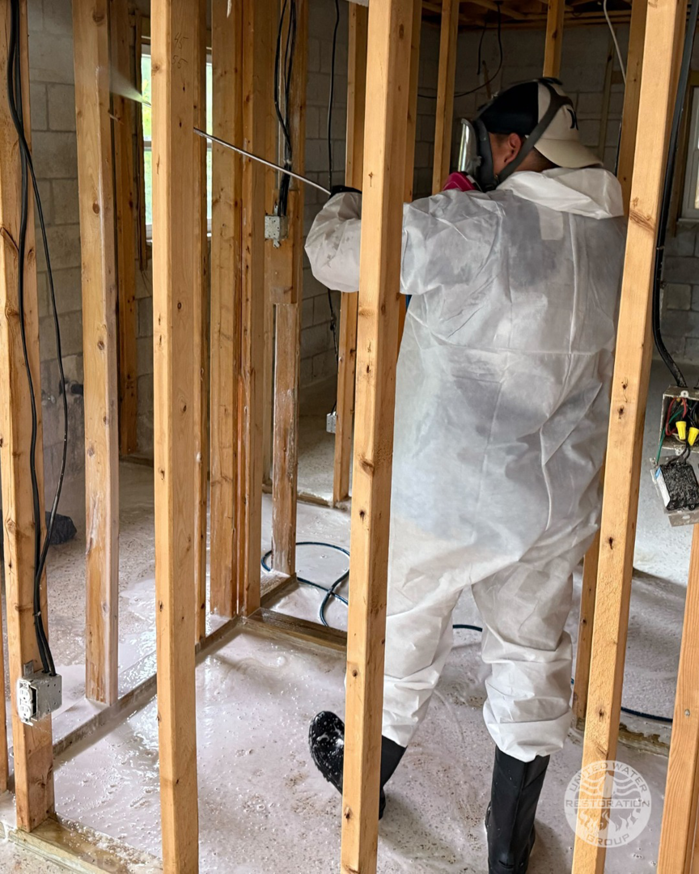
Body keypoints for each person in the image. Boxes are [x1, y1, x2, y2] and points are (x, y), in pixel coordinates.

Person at [304, 78, 626, 874]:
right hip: (553, 497)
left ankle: (361, 778)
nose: (481, 162)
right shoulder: (614, 235)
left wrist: (343, 204)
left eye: (487, 148)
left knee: (401, 634)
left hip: (446, 493)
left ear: (511, 147)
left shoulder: (475, 224)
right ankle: (507, 845)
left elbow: (338, 258)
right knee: (531, 657)